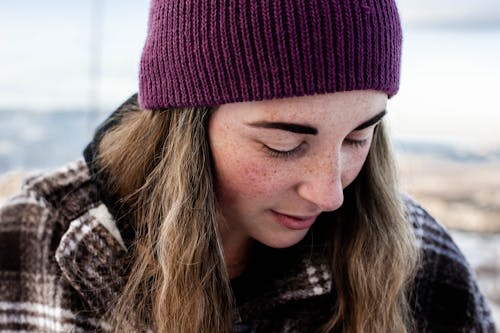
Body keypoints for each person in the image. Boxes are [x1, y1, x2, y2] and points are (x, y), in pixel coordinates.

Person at [0, 0, 496, 332]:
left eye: (358, 138)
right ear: (185, 129)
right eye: (283, 144)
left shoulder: (419, 260)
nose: (330, 194)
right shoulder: (28, 246)